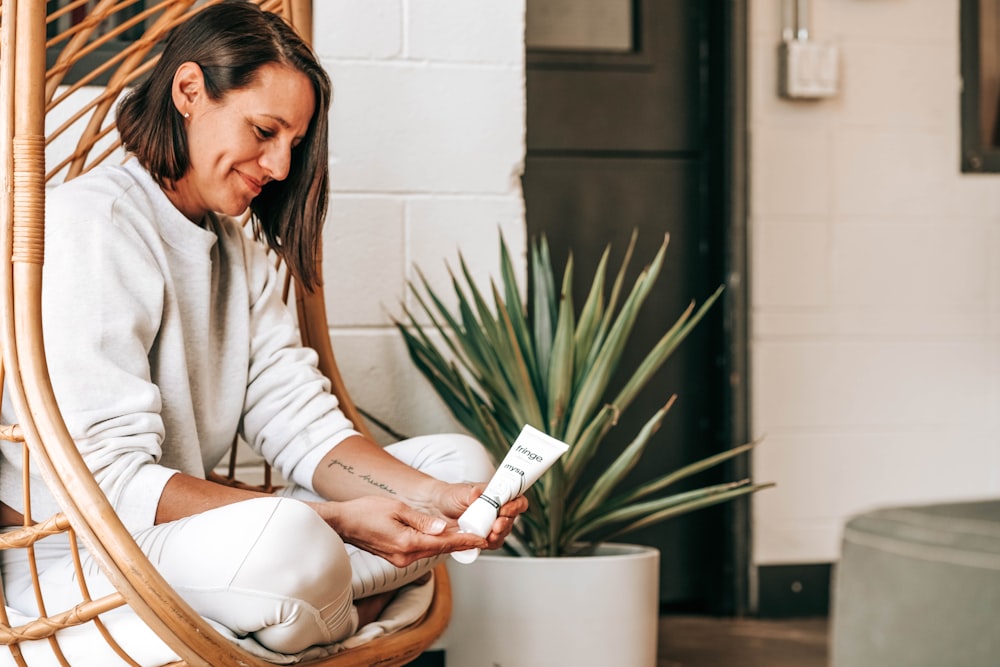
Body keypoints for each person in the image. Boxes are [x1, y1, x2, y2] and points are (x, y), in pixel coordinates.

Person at [0, 0, 527, 656]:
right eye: (264, 130)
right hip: (84, 553)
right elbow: (107, 481)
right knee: (290, 543)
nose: (279, 167)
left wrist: (436, 496)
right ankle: (331, 608)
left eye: (293, 145)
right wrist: (330, 520)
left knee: (460, 461)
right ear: (189, 91)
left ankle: (281, 623)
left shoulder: (236, 248)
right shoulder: (92, 225)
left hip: (198, 547)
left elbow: (304, 425)